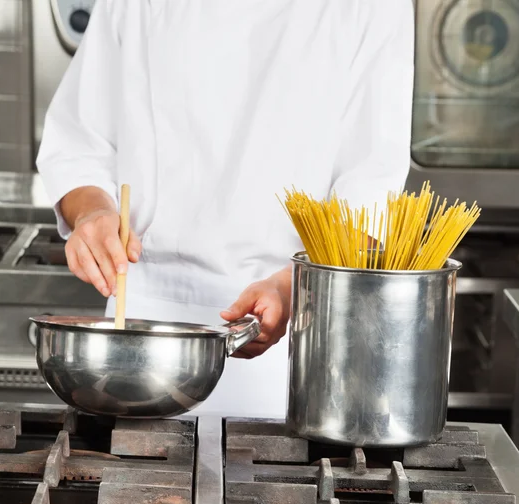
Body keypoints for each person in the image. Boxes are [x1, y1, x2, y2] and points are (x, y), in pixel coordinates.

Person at [37, 0, 415, 419]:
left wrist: (296, 286)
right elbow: (78, 145)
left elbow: (369, 190)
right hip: (137, 332)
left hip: (287, 342)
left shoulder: (374, 7)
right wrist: (91, 213)